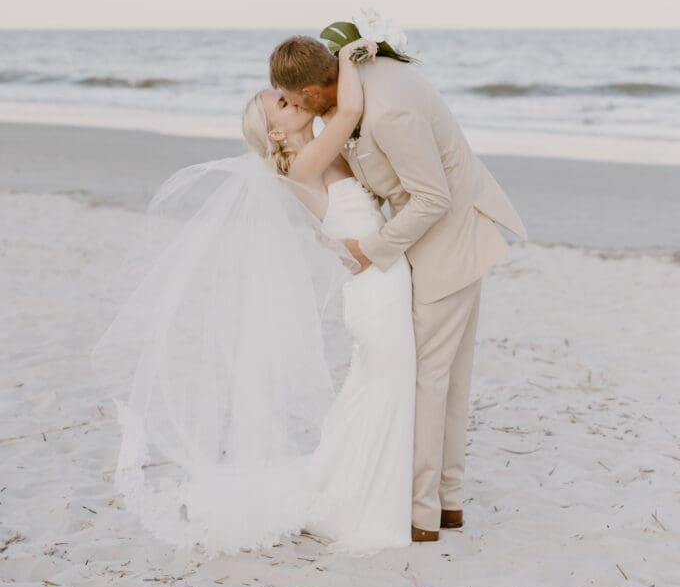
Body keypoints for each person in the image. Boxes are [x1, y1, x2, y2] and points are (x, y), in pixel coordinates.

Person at [93, 38, 416, 557]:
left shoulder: (315, 157)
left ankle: (352, 493)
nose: (295, 103)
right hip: (375, 283)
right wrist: (352, 53)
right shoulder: (306, 163)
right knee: (389, 382)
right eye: (283, 105)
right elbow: (350, 106)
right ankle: (370, 507)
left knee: (377, 386)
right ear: (275, 131)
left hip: (377, 276)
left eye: (291, 97)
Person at [269, 35, 527, 542]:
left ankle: (422, 513)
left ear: (317, 90)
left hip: (446, 244)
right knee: (442, 380)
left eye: (297, 100)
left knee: (428, 382)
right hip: (422, 249)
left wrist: (372, 250)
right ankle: (445, 505)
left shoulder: (386, 113)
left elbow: (432, 199)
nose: (299, 109)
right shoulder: (351, 91)